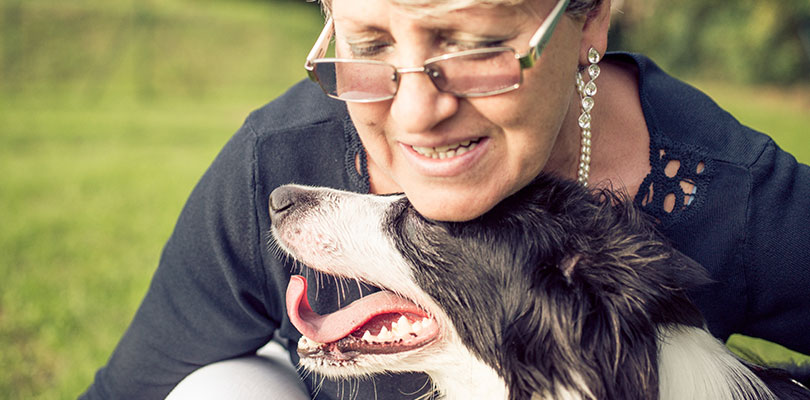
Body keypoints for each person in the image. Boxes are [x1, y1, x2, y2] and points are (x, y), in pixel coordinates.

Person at [80, 0, 810, 398]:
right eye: (368, 45)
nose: (415, 112)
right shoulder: (275, 156)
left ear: (589, 18)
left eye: (473, 44)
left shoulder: (736, 196)